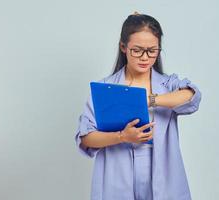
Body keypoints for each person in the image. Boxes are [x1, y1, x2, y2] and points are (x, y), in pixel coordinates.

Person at [75, 12, 202, 200]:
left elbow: (192, 96)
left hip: (162, 174)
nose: (145, 57)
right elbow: (86, 138)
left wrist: (149, 100)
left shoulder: (168, 85)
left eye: (152, 50)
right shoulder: (105, 89)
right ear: (123, 47)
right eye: (137, 50)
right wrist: (122, 136)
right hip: (117, 173)